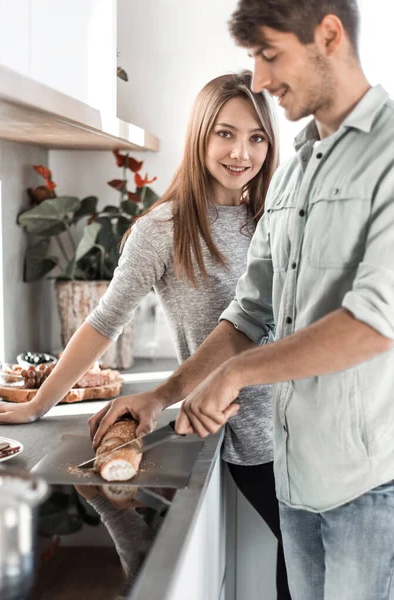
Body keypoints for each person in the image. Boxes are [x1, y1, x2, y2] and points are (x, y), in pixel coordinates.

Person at [92, 1, 394, 599]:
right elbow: (249, 313)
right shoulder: (293, 174)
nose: (257, 78)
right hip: (293, 468)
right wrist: (160, 395)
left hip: (369, 479)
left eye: (269, 55)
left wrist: (234, 375)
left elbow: (374, 321)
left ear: (328, 37)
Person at [0, 71, 291, 597]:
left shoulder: (274, 219)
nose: (242, 152)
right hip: (255, 438)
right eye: (225, 133)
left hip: (308, 425)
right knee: (305, 567)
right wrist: (39, 405)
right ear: (200, 134)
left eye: (257, 137)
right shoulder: (162, 229)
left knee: (309, 568)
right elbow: (103, 321)